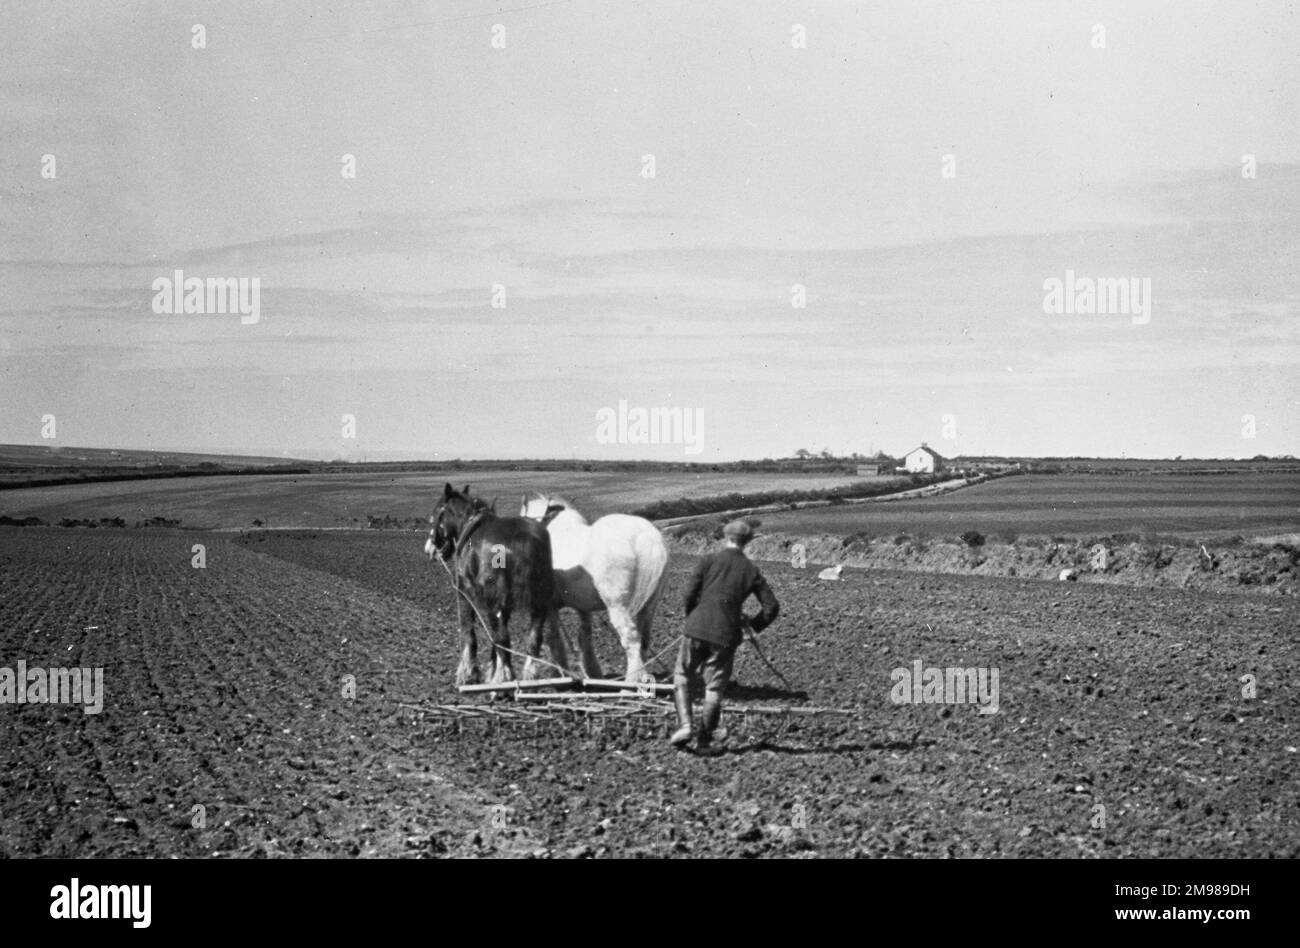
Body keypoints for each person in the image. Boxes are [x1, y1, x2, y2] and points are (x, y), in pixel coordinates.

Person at [670, 518, 780, 754]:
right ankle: (704, 741)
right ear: (748, 542)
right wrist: (751, 627)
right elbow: (771, 607)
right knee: (714, 688)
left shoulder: (708, 560)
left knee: (681, 675)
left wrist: (693, 618)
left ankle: (686, 725)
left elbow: (688, 595)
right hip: (726, 636)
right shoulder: (751, 570)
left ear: (725, 537)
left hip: (696, 629)